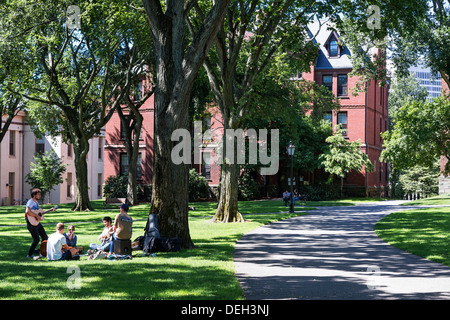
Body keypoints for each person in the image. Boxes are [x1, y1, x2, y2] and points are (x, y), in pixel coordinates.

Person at [25, 188, 52, 259]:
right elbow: (28, 212)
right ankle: (29, 254)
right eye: (38, 194)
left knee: (45, 237)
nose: (39, 195)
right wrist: (36, 215)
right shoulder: (30, 202)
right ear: (34, 195)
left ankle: (40, 251)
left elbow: (38, 212)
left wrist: (50, 210)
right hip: (31, 224)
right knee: (36, 240)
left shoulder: (36, 202)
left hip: (37, 223)